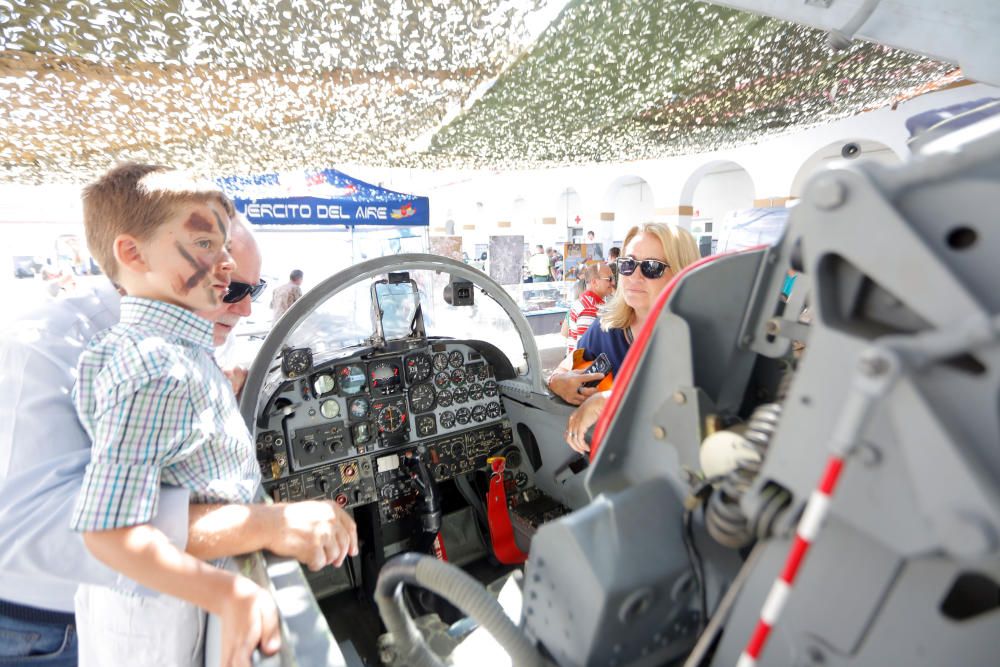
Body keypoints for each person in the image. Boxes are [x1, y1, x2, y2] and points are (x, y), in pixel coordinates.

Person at [0, 209, 357, 665]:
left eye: (255, 288)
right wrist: (268, 524)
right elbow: (33, 527)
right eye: (231, 289)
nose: (247, 308)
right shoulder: (45, 348)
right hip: (46, 628)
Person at [546, 223, 699, 453]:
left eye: (652, 267)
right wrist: (557, 382)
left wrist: (611, 401)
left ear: (681, 273)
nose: (634, 276)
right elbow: (564, 368)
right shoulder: (607, 326)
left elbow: (694, 414)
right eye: (628, 264)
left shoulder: (698, 339)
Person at [566, 261, 615, 353]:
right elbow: (585, 350)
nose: (613, 282)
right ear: (594, 282)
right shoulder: (590, 308)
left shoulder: (587, 301)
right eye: (609, 279)